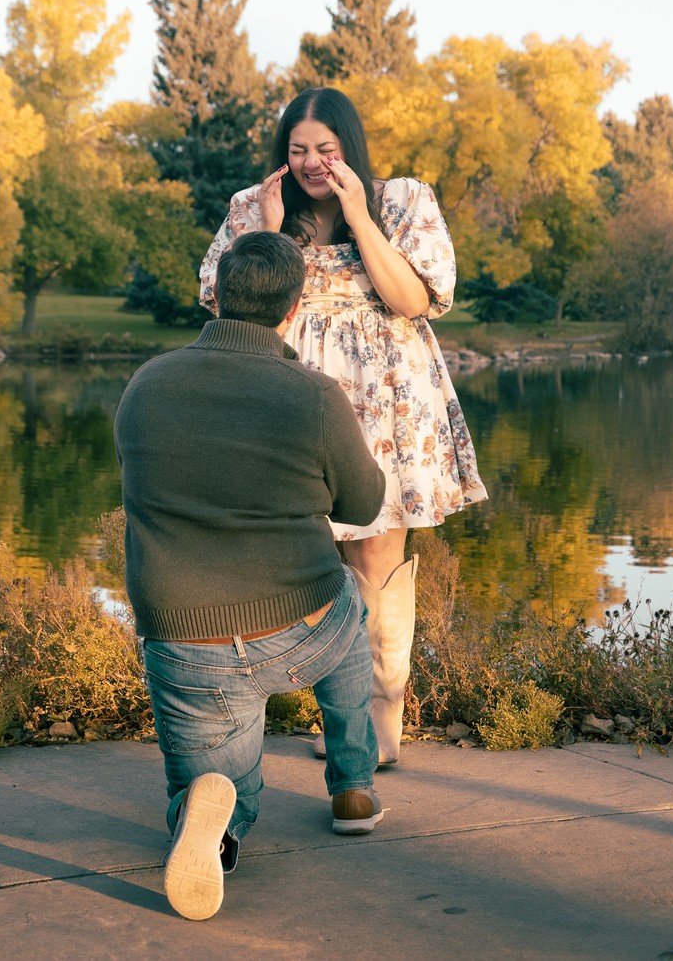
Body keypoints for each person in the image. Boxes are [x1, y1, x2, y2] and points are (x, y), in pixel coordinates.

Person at [200, 87, 488, 766]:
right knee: (290, 560)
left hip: (384, 400)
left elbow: (412, 298)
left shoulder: (400, 201)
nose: (311, 163)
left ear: (348, 147)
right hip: (285, 391)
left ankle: (377, 720)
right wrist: (268, 235)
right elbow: (228, 308)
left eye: (325, 149)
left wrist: (359, 214)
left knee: (376, 560)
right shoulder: (253, 207)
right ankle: (303, 709)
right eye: (298, 150)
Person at [116, 231, 388, 921]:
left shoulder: (147, 385)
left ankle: (220, 827)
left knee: (218, 778)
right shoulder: (315, 395)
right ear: (293, 308)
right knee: (353, 601)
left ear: (215, 296)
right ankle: (353, 784)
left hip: (187, 639)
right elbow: (363, 505)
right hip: (304, 626)